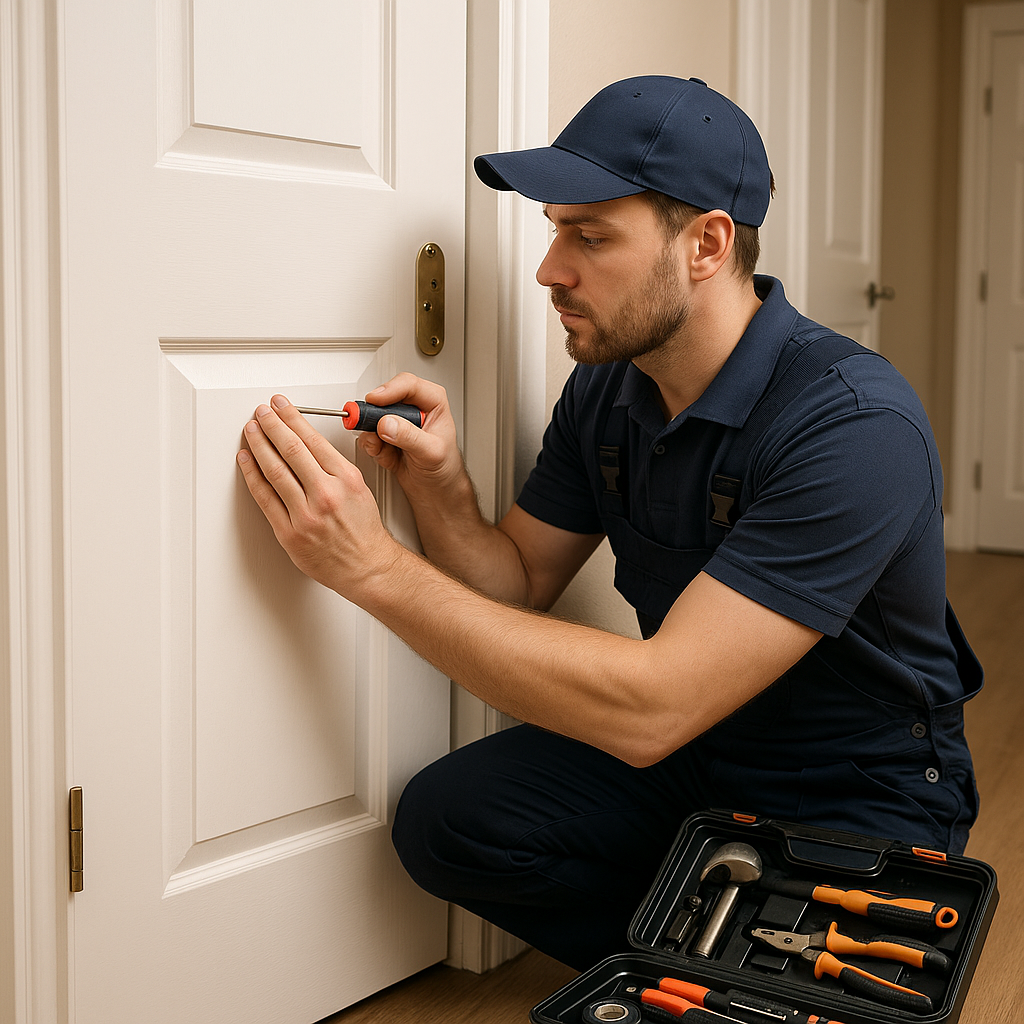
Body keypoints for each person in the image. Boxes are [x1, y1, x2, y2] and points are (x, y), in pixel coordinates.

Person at [237, 76, 981, 971]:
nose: (551, 270)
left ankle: (732, 957)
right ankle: (698, 949)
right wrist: (443, 490)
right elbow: (517, 581)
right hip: (697, 754)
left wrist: (372, 569)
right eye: (555, 231)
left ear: (706, 243)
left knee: (826, 981)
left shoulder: (855, 425)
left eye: (590, 236)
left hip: (852, 782)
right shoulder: (608, 388)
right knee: (450, 822)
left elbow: (653, 704)